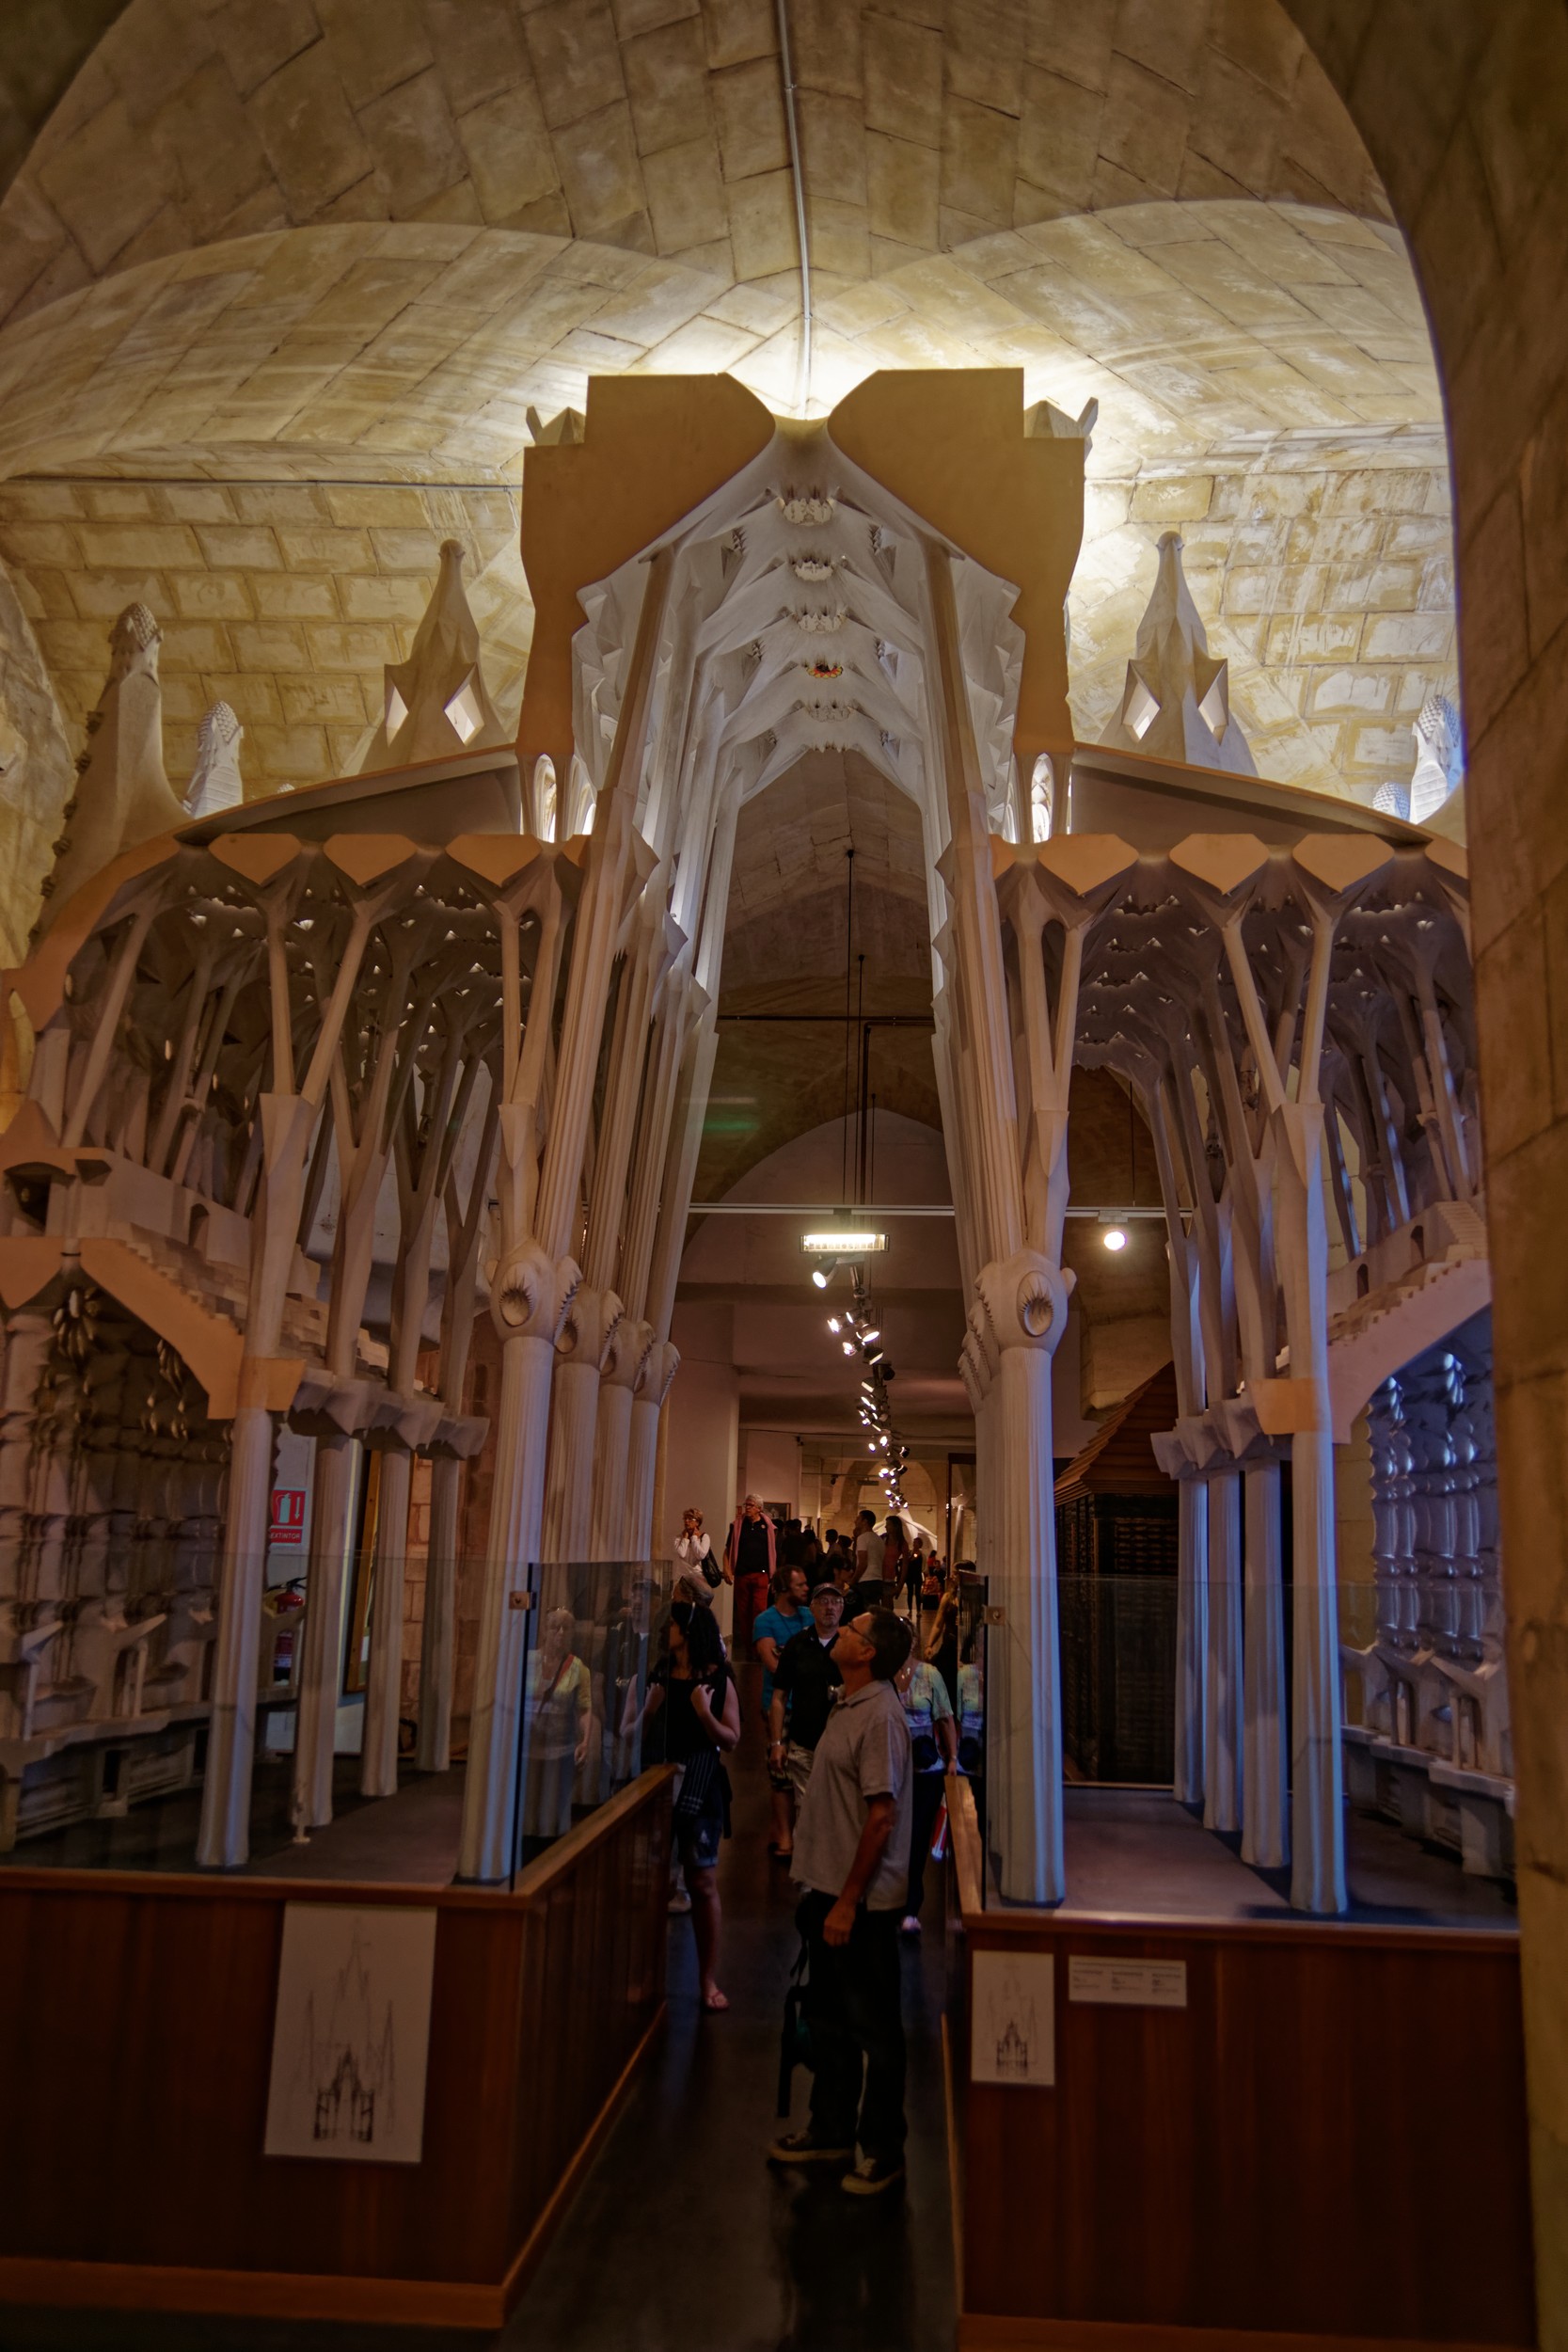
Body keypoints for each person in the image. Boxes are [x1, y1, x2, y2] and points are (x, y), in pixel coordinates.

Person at [768, 1607, 913, 2197]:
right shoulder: (849, 1705)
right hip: (828, 1892)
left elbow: (881, 1818)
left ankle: (882, 2148)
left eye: (853, 1630)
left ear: (868, 1653)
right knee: (829, 2019)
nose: (842, 1632)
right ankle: (830, 2127)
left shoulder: (879, 1716)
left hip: (863, 1906)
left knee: (874, 2028)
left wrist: (849, 1901)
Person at [636, 1603, 740, 2011]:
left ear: (690, 1631)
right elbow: (639, 1731)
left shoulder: (717, 1679)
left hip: (700, 1786)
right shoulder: (660, 1675)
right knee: (653, 1883)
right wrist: (650, 1710)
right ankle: (648, 1974)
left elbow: (730, 1739)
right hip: (659, 1781)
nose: (668, 1630)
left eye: (674, 1624)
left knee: (702, 1881)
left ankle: (706, 1977)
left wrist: (703, 1714)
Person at [767, 1579, 844, 1816]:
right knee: (806, 1810)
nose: (829, 1607)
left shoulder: (850, 1645)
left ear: (842, 1607)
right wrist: (777, 1743)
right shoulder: (797, 1645)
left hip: (841, 1747)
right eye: (823, 1602)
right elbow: (779, 1697)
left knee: (837, 1811)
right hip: (804, 1744)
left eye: (835, 1602)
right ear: (812, 1608)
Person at [896, 1647, 957, 1933]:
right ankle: (889, 1900)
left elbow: (944, 1717)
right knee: (892, 1833)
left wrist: (953, 1758)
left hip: (925, 1768)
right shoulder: (882, 1673)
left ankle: (911, 1906)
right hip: (891, 1767)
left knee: (917, 1835)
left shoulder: (930, 1676)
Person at [521, 1607, 593, 1845]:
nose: (560, 1633)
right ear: (545, 1631)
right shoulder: (528, 1661)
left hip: (559, 1749)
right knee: (526, 1810)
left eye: (566, 1628)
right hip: (527, 1749)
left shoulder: (578, 1668)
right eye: (555, 1627)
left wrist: (585, 1741)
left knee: (552, 1815)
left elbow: (584, 1708)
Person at [753, 1564, 810, 1856]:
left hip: (807, 1703)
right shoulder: (766, 1621)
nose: (806, 1589)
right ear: (785, 1589)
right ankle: (785, 1835)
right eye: (800, 1585)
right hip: (778, 1703)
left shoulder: (808, 1617)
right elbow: (775, 1666)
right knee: (780, 1771)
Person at [724, 1493, 775, 1656]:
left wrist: (772, 1574)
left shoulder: (767, 1527)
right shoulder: (737, 1526)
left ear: (759, 1509)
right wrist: (727, 1569)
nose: (747, 1508)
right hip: (742, 1574)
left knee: (759, 1611)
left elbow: (773, 1551)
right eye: (746, 1505)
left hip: (761, 1575)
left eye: (750, 1505)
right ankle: (749, 1648)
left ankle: (759, 1647)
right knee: (744, 1613)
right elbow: (728, 1549)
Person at [673, 1504, 720, 1606]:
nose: (686, 1521)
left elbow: (701, 1555)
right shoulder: (678, 1538)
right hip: (681, 1578)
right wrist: (685, 1539)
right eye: (685, 1519)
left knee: (699, 1607)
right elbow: (681, 1553)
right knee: (681, 1607)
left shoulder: (704, 1537)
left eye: (690, 1519)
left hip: (698, 1578)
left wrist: (694, 1539)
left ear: (697, 1522)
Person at [850, 1508, 883, 1607]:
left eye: (858, 1518)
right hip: (878, 1580)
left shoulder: (862, 1538)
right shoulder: (879, 1540)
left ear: (865, 1521)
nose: (855, 1521)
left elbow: (863, 1563)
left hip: (866, 1581)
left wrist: (853, 1581)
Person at [881, 1514, 912, 1614]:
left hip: (889, 1577)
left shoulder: (902, 1543)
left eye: (889, 1525)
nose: (886, 1527)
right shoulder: (882, 1539)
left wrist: (900, 1585)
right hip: (878, 1575)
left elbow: (905, 1565)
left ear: (896, 1527)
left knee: (887, 1605)